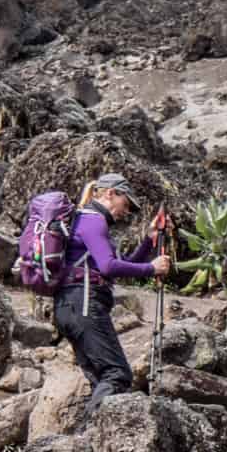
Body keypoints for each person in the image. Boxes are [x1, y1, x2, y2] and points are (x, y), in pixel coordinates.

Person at [53, 173, 172, 417]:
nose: (125, 211)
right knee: (117, 374)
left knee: (101, 378)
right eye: (125, 203)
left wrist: (149, 243)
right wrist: (153, 268)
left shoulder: (85, 221)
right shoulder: (93, 221)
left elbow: (120, 267)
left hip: (70, 307)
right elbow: (108, 267)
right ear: (110, 193)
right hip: (84, 303)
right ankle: (87, 433)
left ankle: (87, 440)